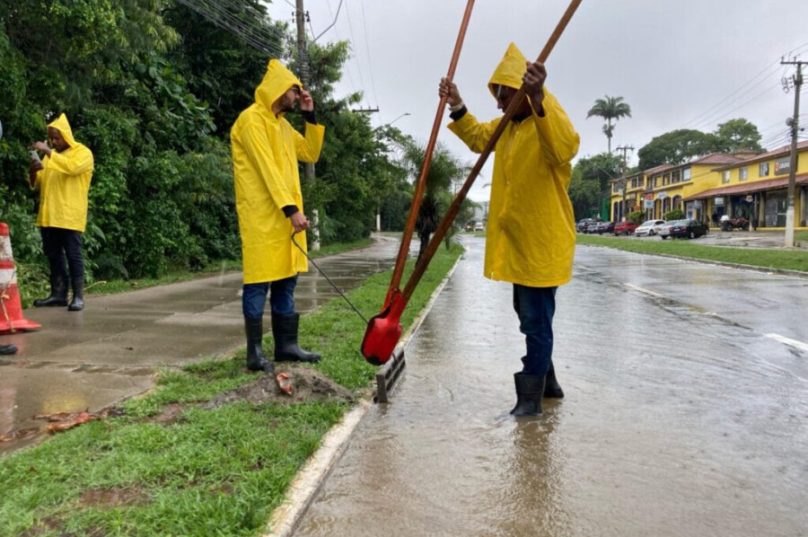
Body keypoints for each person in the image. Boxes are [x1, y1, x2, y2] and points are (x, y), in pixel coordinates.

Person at [439, 43, 580, 417]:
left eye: (504, 96)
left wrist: (539, 95)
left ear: (523, 91)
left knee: (536, 320)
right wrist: (457, 104)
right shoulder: (507, 129)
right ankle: (549, 384)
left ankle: (530, 400)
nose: (499, 105)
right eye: (497, 96)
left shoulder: (547, 123)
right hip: (519, 244)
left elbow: (565, 147)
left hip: (543, 242)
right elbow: (477, 136)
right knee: (529, 315)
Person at [230, 59, 325, 374]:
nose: (298, 96)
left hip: (286, 218)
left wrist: (310, 115)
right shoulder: (250, 121)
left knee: (286, 280)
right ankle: (255, 353)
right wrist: (291, 209)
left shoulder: (283, 126)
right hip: (262, 216)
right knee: (258, 282)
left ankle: (286, 346)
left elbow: (310, 153)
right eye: (295, 91)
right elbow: (266, 169)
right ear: (279, 89)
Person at [28, 113, 94, 312]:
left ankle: (78, 296)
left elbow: (71, 168)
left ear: (66, 135)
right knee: (53, 255)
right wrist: (33, 171)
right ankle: (58, 294)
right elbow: (37, 184)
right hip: (49, 215)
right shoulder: (50, 157)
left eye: (56, 138)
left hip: (69, 215)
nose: (53, 142)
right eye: (51, 138)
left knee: (73, 255)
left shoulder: (82, 153)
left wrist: (48, 151)